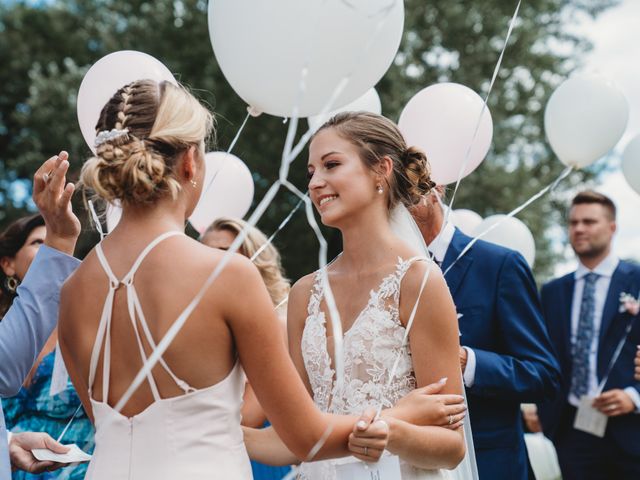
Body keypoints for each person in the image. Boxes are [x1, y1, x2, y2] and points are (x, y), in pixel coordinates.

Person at [57, 80, 452, 479]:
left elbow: (115, 423)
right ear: (191, 162)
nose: (315, 182)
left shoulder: (72, 292)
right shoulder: (224, 275)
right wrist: (395, 418)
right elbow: (307, 438)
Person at [244, 112, 468, 479]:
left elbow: (451, 447)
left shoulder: (417, 281)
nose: (316, 182)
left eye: (331, 164)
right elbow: (296, 439)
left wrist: (392, 432)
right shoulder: (305, 293)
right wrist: (221, 432)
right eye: (310, 172)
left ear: (380, 170)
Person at [410, 188, 561, 480]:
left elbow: (544, 375)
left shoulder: (498, 265)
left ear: (435, 190)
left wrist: (468, 362)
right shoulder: (385, 274)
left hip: (488, 462)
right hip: (411, 463)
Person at [538, 191, 640, 479]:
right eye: (573, 222)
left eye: (589, 221)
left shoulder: (638, 280)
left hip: (631, 428)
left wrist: (635, 396)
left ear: (612, 227)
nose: (579, 229)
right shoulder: (553, 291)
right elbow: (546, 355)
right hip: (572, 430)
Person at [0, 152, 82, 477]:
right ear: (8, 263)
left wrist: (8, 442)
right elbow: (6, 370)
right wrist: (60, 241)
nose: (46, 247)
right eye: (39, 243)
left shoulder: (80, 320)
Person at [201, 217, 292, 479]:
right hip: (200, 460)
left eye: (225, 254)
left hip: (256, 460)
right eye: (204, 254)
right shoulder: (194, 325)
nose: (212, 264)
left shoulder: (277, 324)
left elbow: (248, 416)